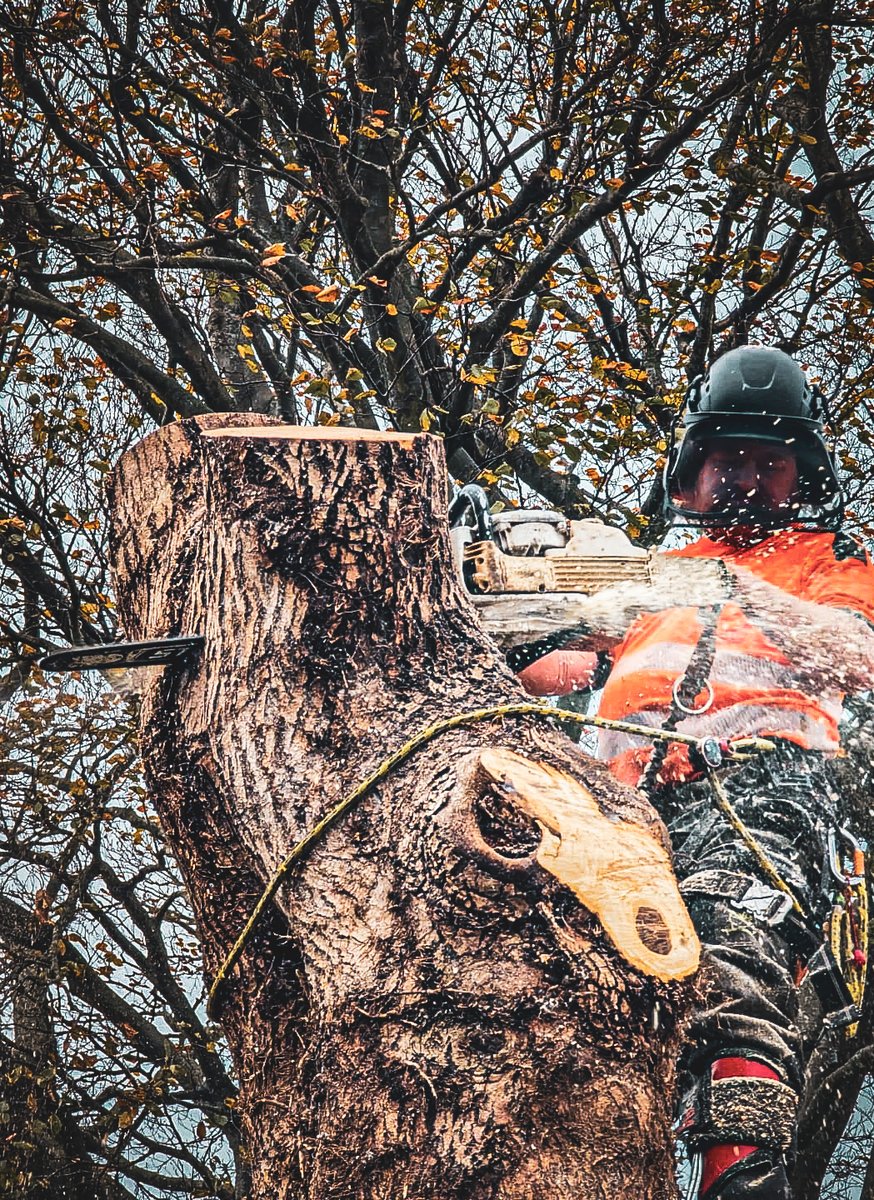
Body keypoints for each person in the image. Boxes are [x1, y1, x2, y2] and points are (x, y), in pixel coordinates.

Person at [516, 345, 874, 1200]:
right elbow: (554, 664)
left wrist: (743, 593)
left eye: (768, 461)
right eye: (729, 459)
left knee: (726, 933)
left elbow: (856, 655)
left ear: (799, 475)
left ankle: (741, 1168)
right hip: (618, 801)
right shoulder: (648, 578)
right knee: (559, 976)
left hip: (758, 785)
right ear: (694, 470)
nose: (747, 477)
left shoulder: (827, 562)